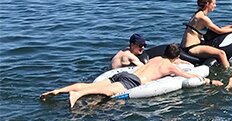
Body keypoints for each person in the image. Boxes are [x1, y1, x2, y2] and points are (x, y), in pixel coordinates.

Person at [40, 44, 222, 110]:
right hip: (133, 82)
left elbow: (170, 63)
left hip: (126, 74)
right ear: (176, 57)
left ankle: (59, 90)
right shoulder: (169, 66)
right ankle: (77, 95)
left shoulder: (158, 58)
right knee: (105, 92)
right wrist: (208, 80)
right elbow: (186, 76)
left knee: (91, 84)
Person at [182, 0, 232, 69]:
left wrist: (231, 26)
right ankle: (231, 73)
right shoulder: (202, 18)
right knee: (221, 53)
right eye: (213, 4)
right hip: (192, 48)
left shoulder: (199, 14)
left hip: (192, 45)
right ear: (207, 4)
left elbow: (216, 29)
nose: (215, 6)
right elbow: (219, 31)